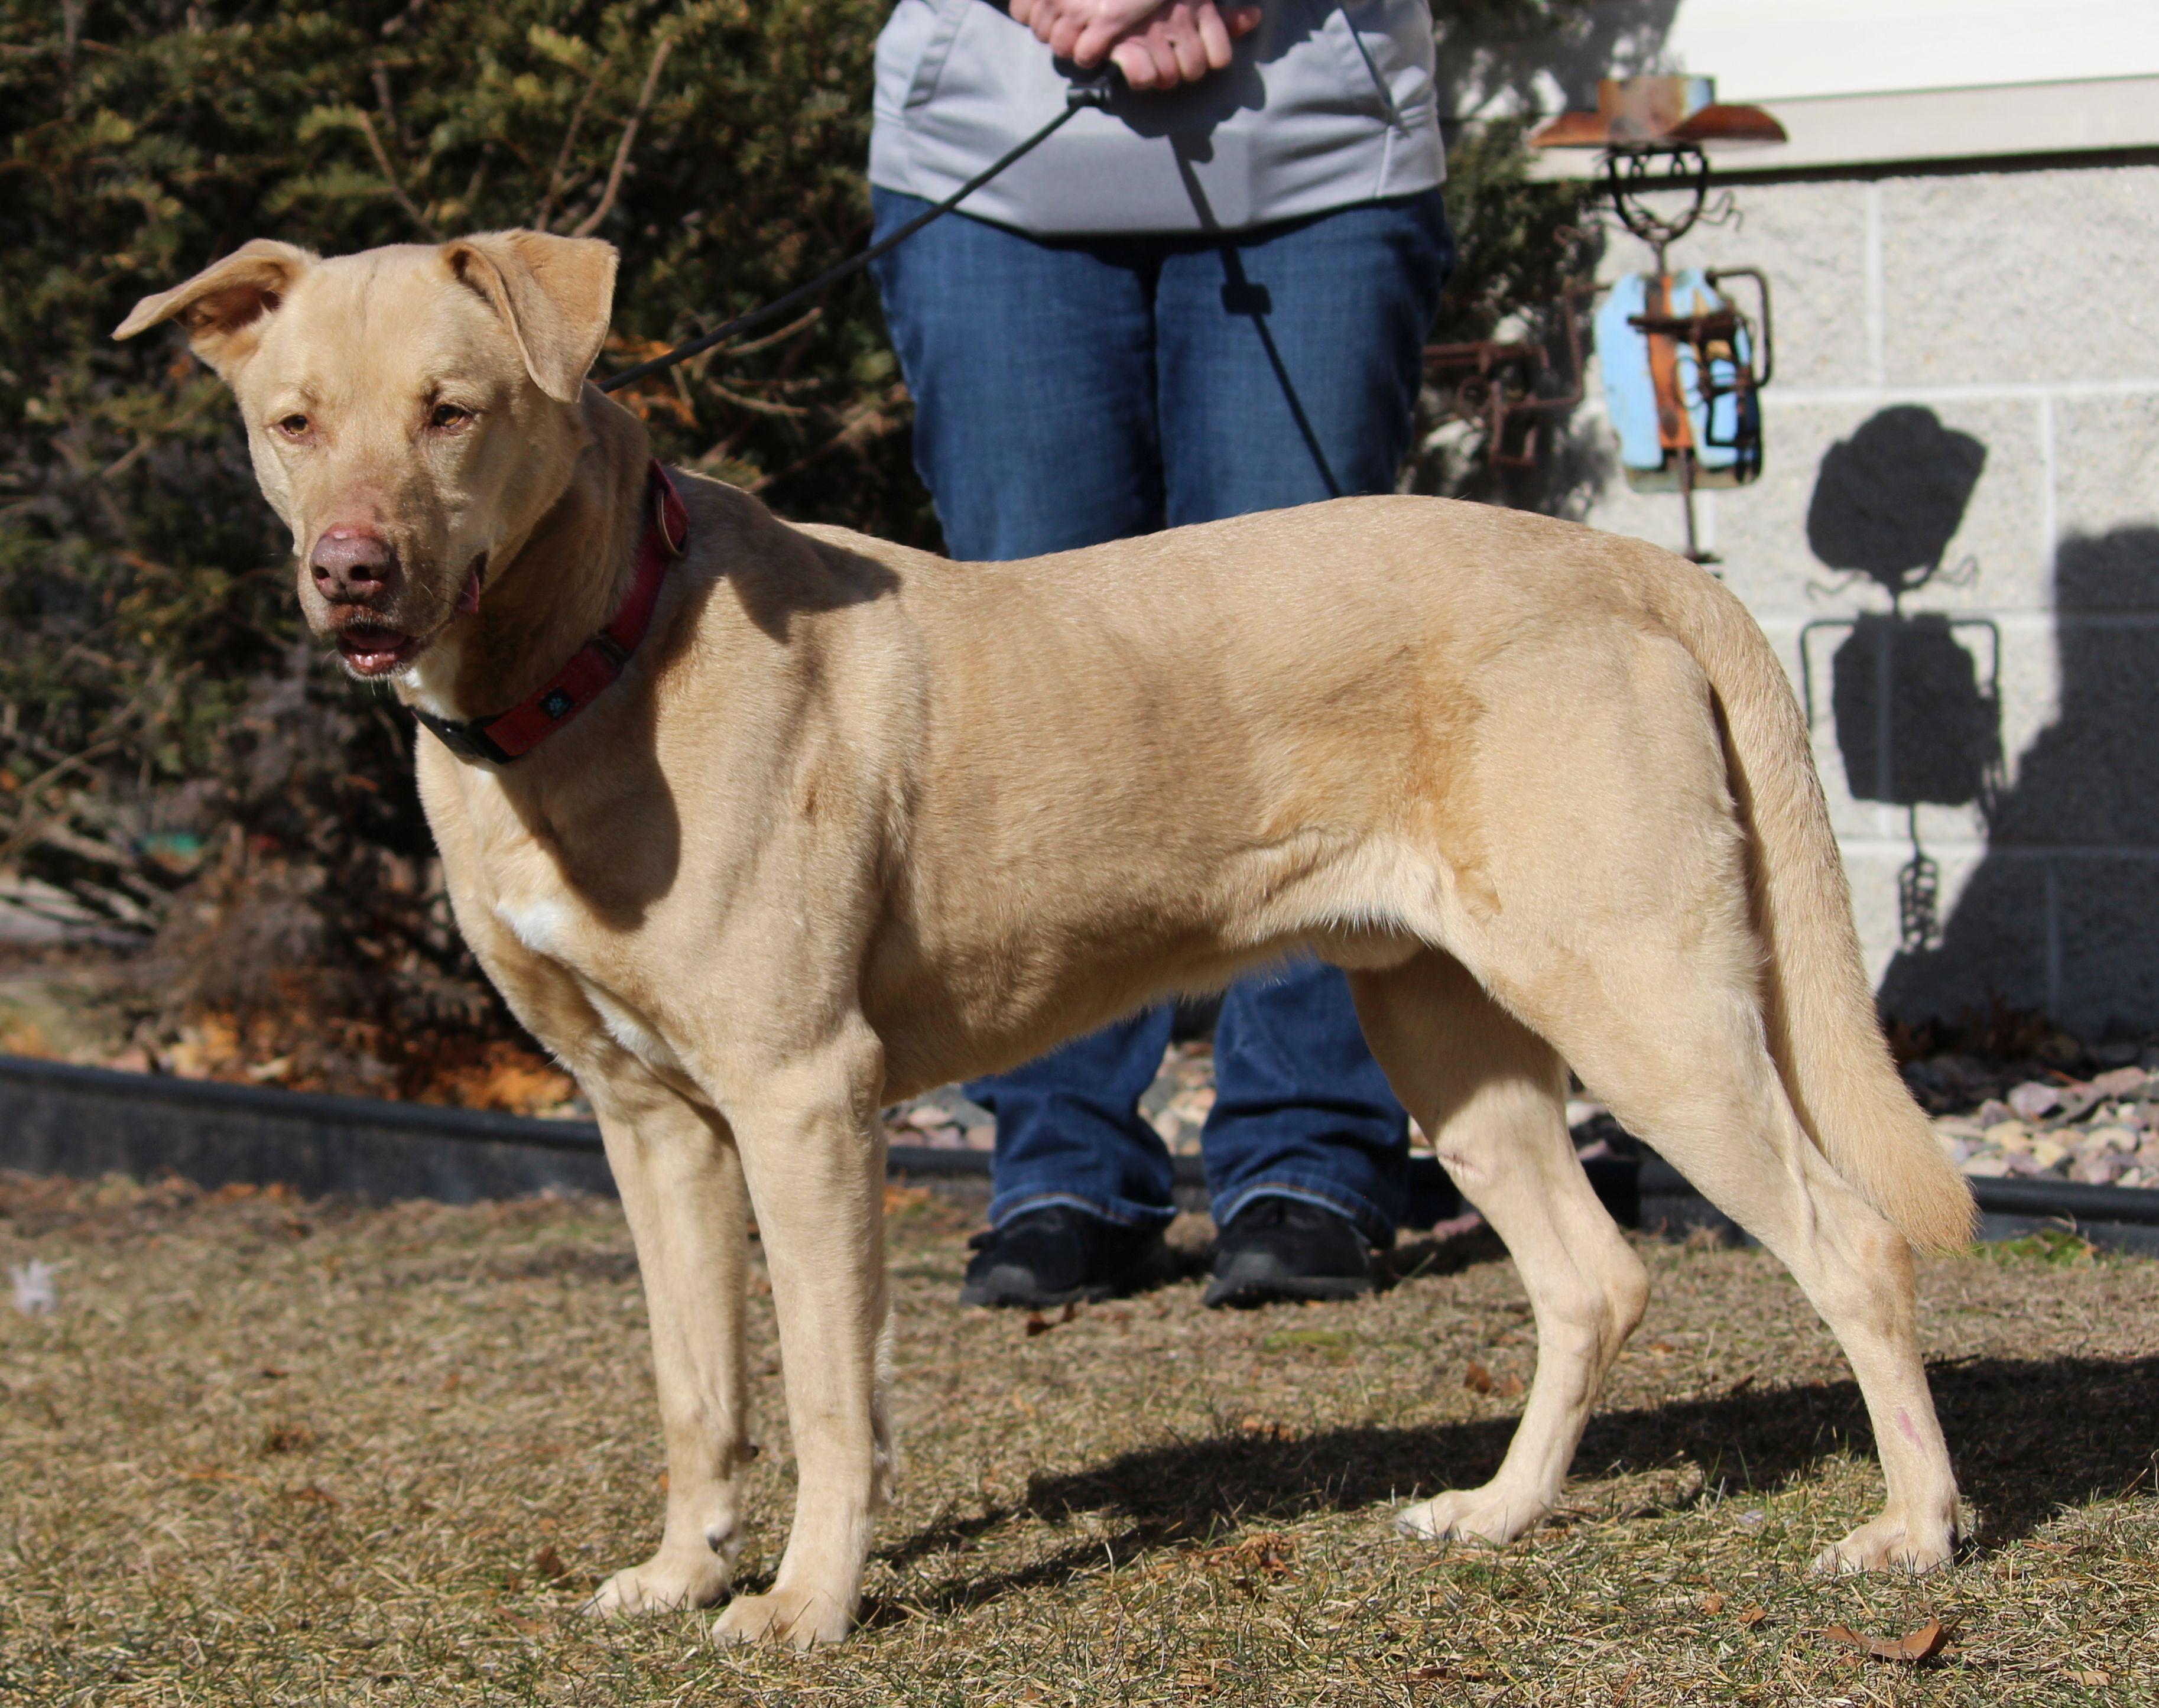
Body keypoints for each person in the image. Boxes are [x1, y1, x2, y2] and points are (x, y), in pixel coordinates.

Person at [868, 0, 1453, 1308]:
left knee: (1318, 682)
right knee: (1023, 705)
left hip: (1314, 154)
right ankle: (1063, 1164)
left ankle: (1311, 1160)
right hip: (992, 165)